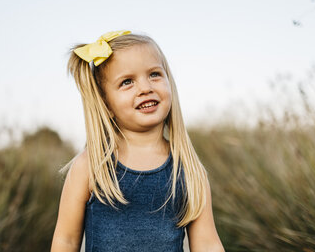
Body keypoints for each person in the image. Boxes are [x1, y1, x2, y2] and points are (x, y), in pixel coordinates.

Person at [50, 30, 225, 252]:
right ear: (106, 105)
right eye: (127, 82)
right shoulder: (91, 166)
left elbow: (207, 244)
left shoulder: (189, 171)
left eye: (154, 74)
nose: (145, 88)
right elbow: (65, 241)